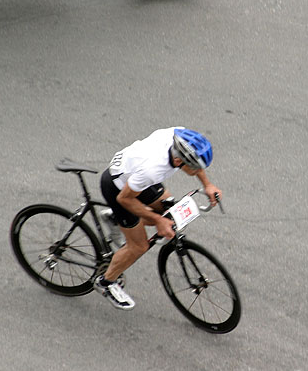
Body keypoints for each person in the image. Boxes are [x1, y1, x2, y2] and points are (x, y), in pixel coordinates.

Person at [95, 127, 222, 310]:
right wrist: (157, 221)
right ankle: (106, 283)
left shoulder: (179, 136)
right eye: (194, 168)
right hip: (118, 188)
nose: (197, 172)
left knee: (170, 210)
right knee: (139, 246)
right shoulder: (152, 169)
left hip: (136, 177)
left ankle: (116, 219)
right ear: (178, 160)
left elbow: (194, 157)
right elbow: (124, 198)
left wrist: (208, 185)